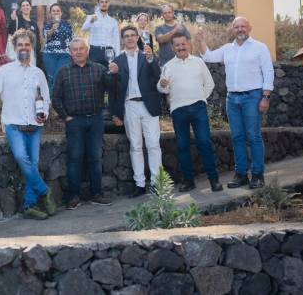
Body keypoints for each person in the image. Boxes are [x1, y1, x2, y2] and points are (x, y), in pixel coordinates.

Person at [0, 29, 57, 220]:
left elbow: (46, 98)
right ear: (14, 48)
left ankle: (29, 205)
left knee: (32, 163)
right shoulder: (5, 70)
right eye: (20, 45)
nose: (23, 48)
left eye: (27, 45)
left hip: (34, 125)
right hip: (13, 124)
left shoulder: (38, 73)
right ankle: (44, 190)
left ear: (31, 47)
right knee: (21, 157)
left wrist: (44, 114)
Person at [195, 17, 274, 189]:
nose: (240, 29)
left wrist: (265, 97)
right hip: (232, 99)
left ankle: (258, 175)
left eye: (243, 26)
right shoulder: (227, 49)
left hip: (253, 97)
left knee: (253, 136)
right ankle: (241, 175)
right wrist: (201, 41)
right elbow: (208, 56)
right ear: (232, 30)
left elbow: (268, 71)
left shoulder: (260, 47)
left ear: (249, 28)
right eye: (236, 27)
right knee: (237, 137)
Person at [52, 37, 114, 209]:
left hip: (96, 120)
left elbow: (112, 87)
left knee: (95, 158)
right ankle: (74, 196)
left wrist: (113, 74)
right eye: (75, 49)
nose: (78, 52)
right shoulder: (63, 71)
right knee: (75, 159)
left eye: (81, 49)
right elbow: (55, 98)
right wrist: (66, 117)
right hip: (75, 121)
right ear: (70, 52)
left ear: (87, 51)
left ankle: (97, 194)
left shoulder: (99, 69)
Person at [157, 33, 223, 193]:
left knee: (204, 143)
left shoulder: (199, 62)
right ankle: (188, 181)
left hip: (198, 109)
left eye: (183, 44)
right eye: (177, 45)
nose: (181, 47)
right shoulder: (168, 66)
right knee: (182, 146)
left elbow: (210, 84)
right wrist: (162, 84)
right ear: (172, 47)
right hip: (178, 111)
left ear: (188, 44)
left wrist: (200, 98)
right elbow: (162, 88)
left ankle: (214, 180)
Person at [109, 25, 162, 197]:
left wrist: (151, 59)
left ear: (138, 37)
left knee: (153, 145)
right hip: (129, 106)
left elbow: (158, 76)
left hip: (148, 105)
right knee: (135, 146)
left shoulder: (147, 56)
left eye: (133, 35)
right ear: (122, 40)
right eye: (126, 36)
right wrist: (114, 113)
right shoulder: (117, 61)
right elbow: (113, 90)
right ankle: (140, 184)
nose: (130, 38)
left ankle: (157, 184)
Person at [82, 0, 120, 67]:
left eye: (106, 2)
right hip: (95, 51)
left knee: (109, 73)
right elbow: (84, 28)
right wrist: (91, 21)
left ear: (108, 4)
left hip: (109, 52)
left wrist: (117, 56)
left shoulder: (113, 21)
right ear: (98, 4)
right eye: (102, 2)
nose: (104, 4)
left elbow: (116, 40)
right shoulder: (91, 17)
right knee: (94, 73)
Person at [42, 3, 73, 92]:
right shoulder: (47, 25)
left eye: (57, 11)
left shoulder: (68, 25)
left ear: (61, 13)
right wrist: (53, 29)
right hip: (49, 55)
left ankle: (58, 98)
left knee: (59, 76)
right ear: (50, 13)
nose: (55, 12)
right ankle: (50, 98)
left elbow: (72, 40)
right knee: (51, 78)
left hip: (64, 55)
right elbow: (47, 37)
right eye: (53, 11)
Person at [8, 0, 39, 65]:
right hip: (18, 52)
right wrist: (13, 21)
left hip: (31, 53)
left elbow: (37, 40)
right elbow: (10, 32)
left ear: (30, 8)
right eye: (23, 6)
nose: (25, 7)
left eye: (27, 5)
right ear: (21, 9)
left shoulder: (34, 23)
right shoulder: (17, 20)